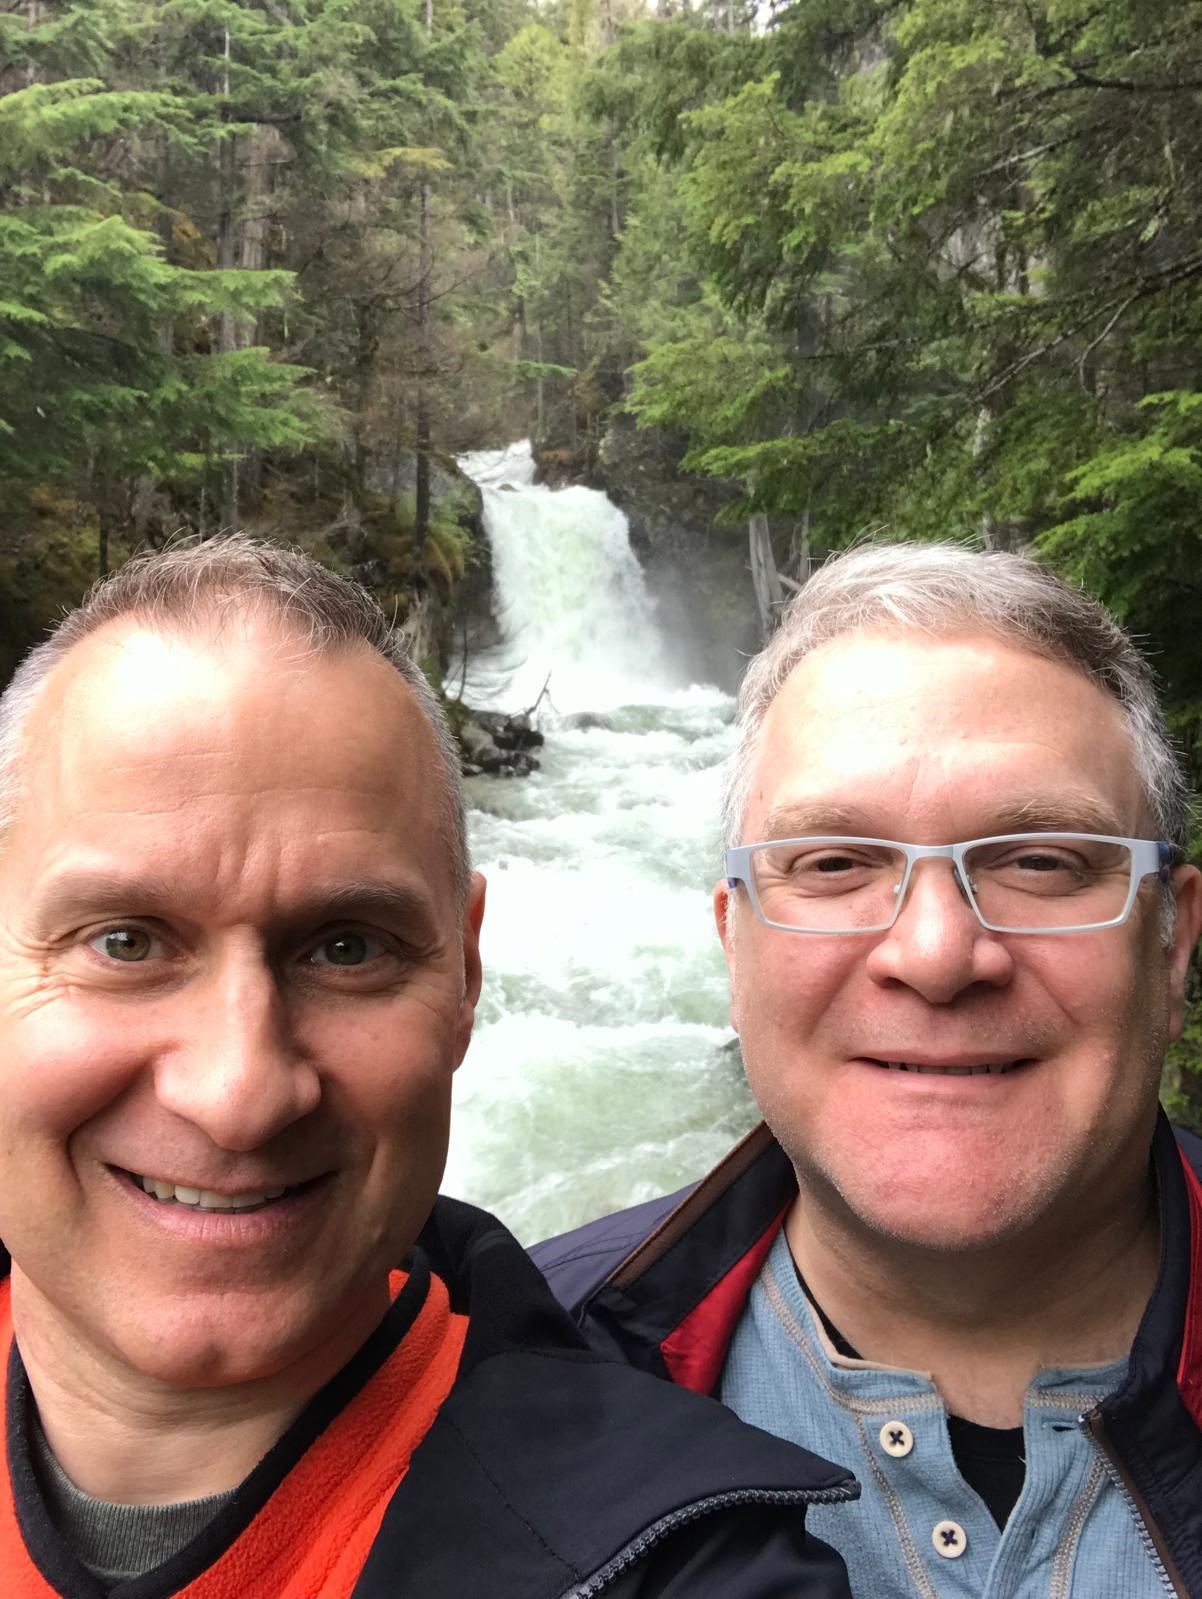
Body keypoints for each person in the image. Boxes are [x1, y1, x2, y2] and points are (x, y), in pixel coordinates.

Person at [0, 537, 857, 1599]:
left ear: (465, 974)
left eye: (346, 947)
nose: (237, 1094)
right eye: (124, 942)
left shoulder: (683, 1568)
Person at [534, 541, 1202, 1598]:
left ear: (1168, 946)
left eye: (1036, 861)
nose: (934, 956)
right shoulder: (509, 1383)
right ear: (733, 943)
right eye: (835, 863)